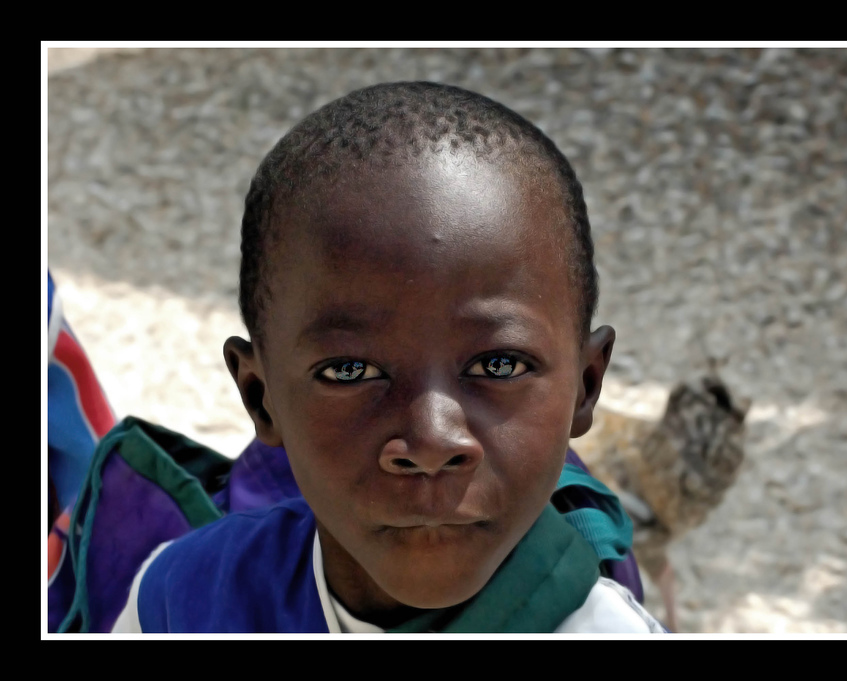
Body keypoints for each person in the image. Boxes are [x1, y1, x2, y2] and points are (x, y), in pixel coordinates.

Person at [112, 81, 667, 633]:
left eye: (498, 366)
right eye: (350, 370)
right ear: (261, 398)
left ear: (586, 386)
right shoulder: (182, 599)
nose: (430, 443)